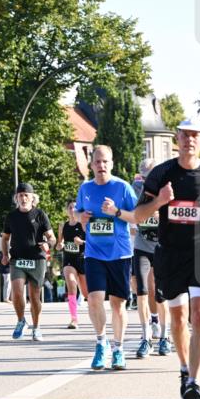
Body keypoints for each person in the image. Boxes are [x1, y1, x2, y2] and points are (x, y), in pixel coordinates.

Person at [128, 118, 200, 399]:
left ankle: (194, 382)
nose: (190, 140)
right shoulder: (161, 173)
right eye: (185, 135)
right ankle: (184, 369)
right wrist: (159, 202)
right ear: (177, 139)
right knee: (179, 318)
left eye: (196, 135)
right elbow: (138, 216)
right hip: (171, 253)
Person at [76, 145, 138, 370]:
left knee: (117, 303)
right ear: (91, 165)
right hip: (94, 252)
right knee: (94, 298)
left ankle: (118, 349)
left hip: (119, 253)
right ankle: (101, 343)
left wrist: (116, 212)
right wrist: (81, 217)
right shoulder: (85, 188)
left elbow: (137, 217)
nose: (101, 166)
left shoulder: (123, 188)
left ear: (111, 164)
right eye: (97, 162)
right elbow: (78, 213)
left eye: (105, 162)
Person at [1, 182, 55, 340]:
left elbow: (52, 237)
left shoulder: (40, 214)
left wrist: (48, 244)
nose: (23, 198)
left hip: (37, 259)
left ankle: (36, 327)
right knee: (17, 292)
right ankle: (21, 321)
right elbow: (5, 238)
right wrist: (4, 254)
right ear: (16, 198)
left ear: (32, 198)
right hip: (17, 259)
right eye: (20, 196)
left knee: (34, 295)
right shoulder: (11, 216)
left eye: (26, 195)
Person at [130, 162, 170, 360]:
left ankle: (164, 336)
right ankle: (146, 337)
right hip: (141, 245)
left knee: (160, 294)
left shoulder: (167, 190)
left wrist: (160, 214)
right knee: (142, 290)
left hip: (162, 246)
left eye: (150, 176)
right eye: (144, 177)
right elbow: (132, 216)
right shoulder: (136, 190)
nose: (147, 181)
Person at [55, 200, 87, 329]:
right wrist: (60, 245)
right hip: (68, 260)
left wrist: (82, 242)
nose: (72, 210)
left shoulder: (84, 225)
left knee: (86, 293)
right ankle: (74, 319)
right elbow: (59, 244)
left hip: (82, 259)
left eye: (75, 208)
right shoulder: (63, 226)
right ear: (67, 210)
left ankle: (96, 312)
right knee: (71, 284)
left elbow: (93, 242)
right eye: (70, 207)